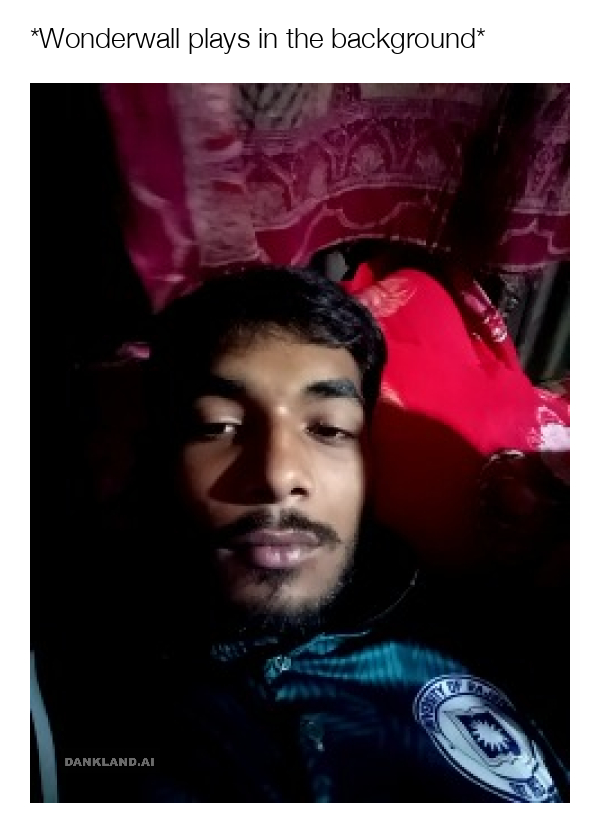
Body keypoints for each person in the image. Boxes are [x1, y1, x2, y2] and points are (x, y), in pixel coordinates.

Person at [42, 266, 569, 803]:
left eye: (329, 428)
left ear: (369, 461)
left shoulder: (513, 631)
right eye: (217, 426)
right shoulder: (85, 695)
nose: (278, 474)